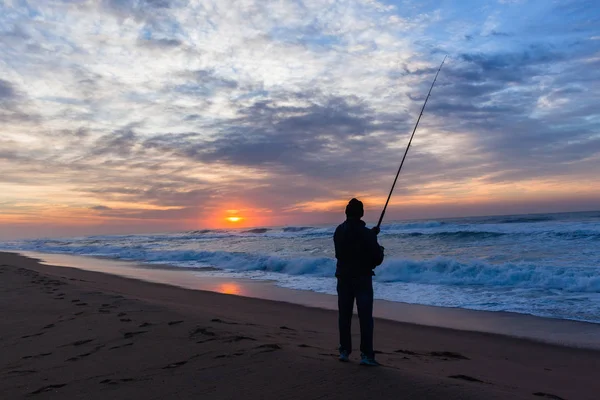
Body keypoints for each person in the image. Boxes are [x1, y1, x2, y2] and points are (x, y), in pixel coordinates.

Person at [333, 198, 384, 366]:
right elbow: (376, 258)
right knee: (365, 318)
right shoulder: (366, 234)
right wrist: (378, 246)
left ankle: (344, 351)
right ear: (361, 213)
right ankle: (366, 355)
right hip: (362, 278)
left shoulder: (338, 231)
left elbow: (342, 252)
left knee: (344, 316)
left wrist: (371, 235)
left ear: (346, 213)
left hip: (343, 278)